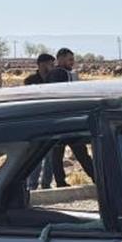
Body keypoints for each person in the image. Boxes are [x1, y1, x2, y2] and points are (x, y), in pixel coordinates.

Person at [43, 48, 95, 185]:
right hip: (65, 120)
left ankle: (61, 182)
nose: (72, 62)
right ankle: (97, 178)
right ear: (60, 59)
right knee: (79, 152)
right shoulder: (59, 74)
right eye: (69, 59)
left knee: (59, 153)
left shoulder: (58, 73)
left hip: (58, 120)